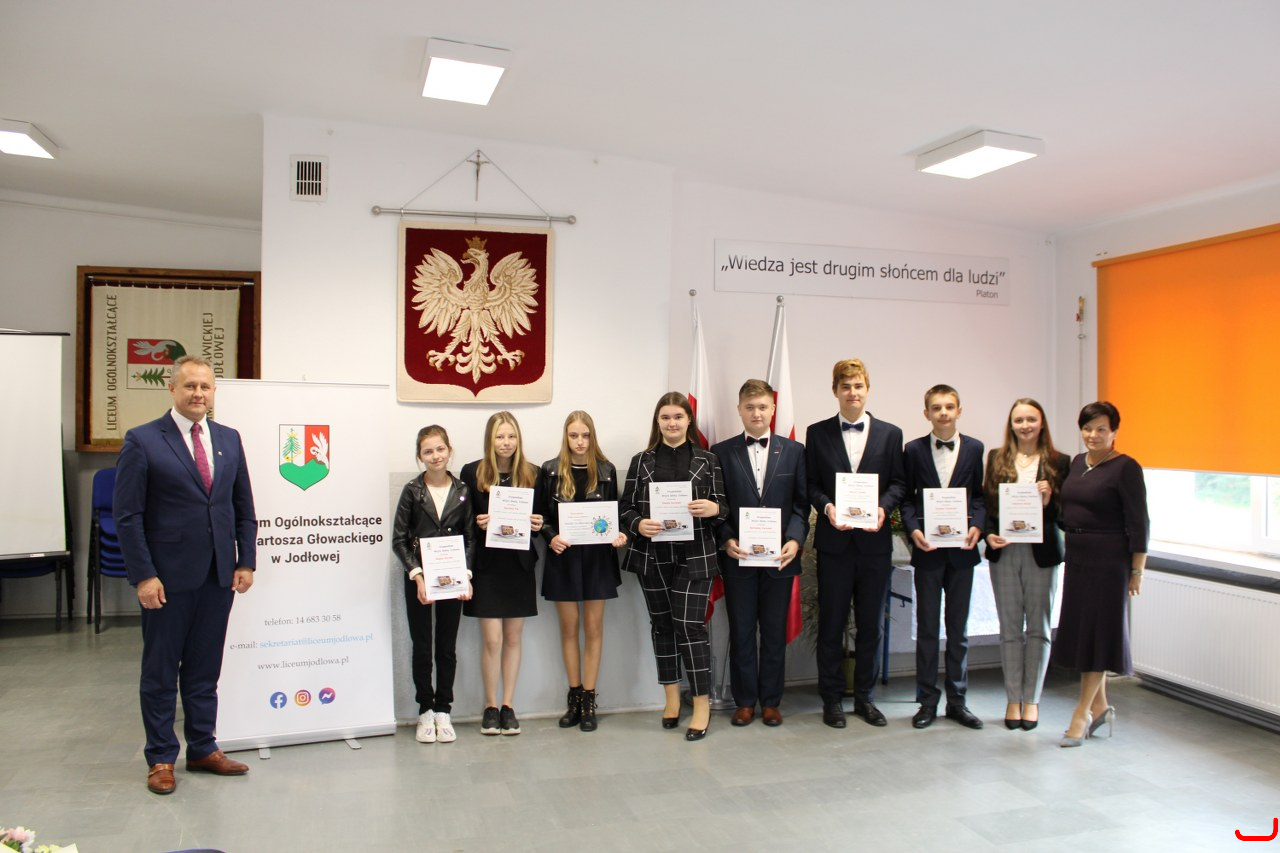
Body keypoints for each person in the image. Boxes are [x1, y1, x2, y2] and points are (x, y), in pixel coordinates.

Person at [113, 355, 257, 795]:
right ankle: (160, 757)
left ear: (213, 393)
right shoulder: (142, 440)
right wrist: (143, 576)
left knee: (204, 669)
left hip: (218, 576)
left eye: (205, 387)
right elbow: (128, 516)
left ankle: (202, 747)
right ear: (172, 389)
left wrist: (245, 561)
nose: (198, 393)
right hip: (166, 580)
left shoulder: (229, 439)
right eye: (190, 386)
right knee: (160, 672)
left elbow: (243, 508)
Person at [804, 359, 906, 729]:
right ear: (835, 390)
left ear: (867, 389)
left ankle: (865, 698)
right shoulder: (817, 433)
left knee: (871, 626)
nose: (852, 392)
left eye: (858, 385)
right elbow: (811, 483)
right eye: (845, 386)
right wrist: (827, 507)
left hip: (874, 545)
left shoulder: (891, 434)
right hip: (834, 544)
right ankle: (831, 700)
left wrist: (883, 508)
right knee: (831, 625)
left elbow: (899, 483)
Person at [620, 392, 728, 741]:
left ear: (688, 420)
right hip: (653, 556)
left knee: (690, 627)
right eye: (665, 417)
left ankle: (701, 705)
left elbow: (724, 507)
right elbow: (625, 508)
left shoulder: (708, 460)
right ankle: (671, 700)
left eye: (678, 417)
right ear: (658, 421)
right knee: (663, 626)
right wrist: (639, 524)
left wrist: (713, 509)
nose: (672, 423)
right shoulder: (641, 461)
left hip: (695, 556)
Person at [710, 379, 809, 728]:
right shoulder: (720, 452)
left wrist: (795, 540)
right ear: (739, 409)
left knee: (773, 633)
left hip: (779, 559)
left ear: (773, 409)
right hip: (738, 559)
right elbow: (718, 506)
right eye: (750, 407)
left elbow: (801, 505)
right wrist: (726, 539)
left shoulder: (795, 451)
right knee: (741, 633)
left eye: (763, 407)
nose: (756, 413)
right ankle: (744, 702)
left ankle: (770, 701)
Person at [1051, 401, 1148, 747]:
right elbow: (1068, 513)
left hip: (1109, 562)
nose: (1093, 435)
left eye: (1101, 429)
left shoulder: (1126, 468)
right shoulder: (1078, 463)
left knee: (1098, 635)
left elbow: (1140, 523)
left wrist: (1137, 570)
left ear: (1114, 432)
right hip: (1078, 558)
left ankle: (1081, 713)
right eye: (1088, 428)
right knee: (1086, 634)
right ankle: (1101, 707)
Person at [900, 384, 986, 730]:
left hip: (963, 552)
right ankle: (926, 702)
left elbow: (979, 497)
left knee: (959, 631)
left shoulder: (975, 448)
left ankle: (958, 702)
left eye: (949, 407)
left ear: (959, 410)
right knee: (927, 631)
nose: (943, 413)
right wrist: (913, 530)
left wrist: (978, 526)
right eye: (936, 408)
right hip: (929, 552)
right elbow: (907, 499)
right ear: (927, 414)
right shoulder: (913, 450)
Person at [983, 398, 1070, 731]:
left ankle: (1031, 700)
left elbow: (1066, 515)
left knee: (1038, 629)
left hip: (1042, 554)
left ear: (1042, 422)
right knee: (1009, 630)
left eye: (1031, 419)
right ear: (1011, 424)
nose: (1025, 426)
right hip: (1005, 552)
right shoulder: (996, 458)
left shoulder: (1060, 462)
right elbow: (988, 505)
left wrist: (1049, 501)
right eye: (1019, 420)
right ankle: (1012, 698)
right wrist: (988, 535)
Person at [539, 411, 628, 732]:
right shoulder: (550, 470)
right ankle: (574, 697)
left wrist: (618, 535)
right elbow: (540, 516)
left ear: (593, 437)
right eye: (574, 435)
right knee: (568, 629)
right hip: (563, 558)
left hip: (597, 559)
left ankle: (589, 699)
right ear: (566, 437)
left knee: (593, 629)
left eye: (585, 435)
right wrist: (551, 536)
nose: (580, 442)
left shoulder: (605, 470)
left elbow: (615, 514)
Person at [461, 411, 543, 736]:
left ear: (518, 438)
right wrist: (477, 522)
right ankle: (490, 706)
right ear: (489, 440)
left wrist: (538, 524)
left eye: (511, 436)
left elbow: (542, 518)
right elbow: (464, 519)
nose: (506, 443)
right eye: (499, 436)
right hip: (487, 566)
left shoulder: (533, 473)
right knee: (492, 640)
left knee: (512, 638)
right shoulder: (472, 471)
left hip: (519, 566)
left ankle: (508, 705)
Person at [391, 425, 473, 745]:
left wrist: (466, 576)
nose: (435, 456)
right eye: (428, 451)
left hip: (453, 579)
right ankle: (425, 709)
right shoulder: (413, 491)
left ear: (449, 451)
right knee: (423, 646)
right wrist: (417, 575)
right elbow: (399, 540)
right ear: (419, 456)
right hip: (420, 581)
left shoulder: (463, 490)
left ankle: (443, 710)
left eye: (440, 449)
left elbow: (470, 539)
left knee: (447, 647)